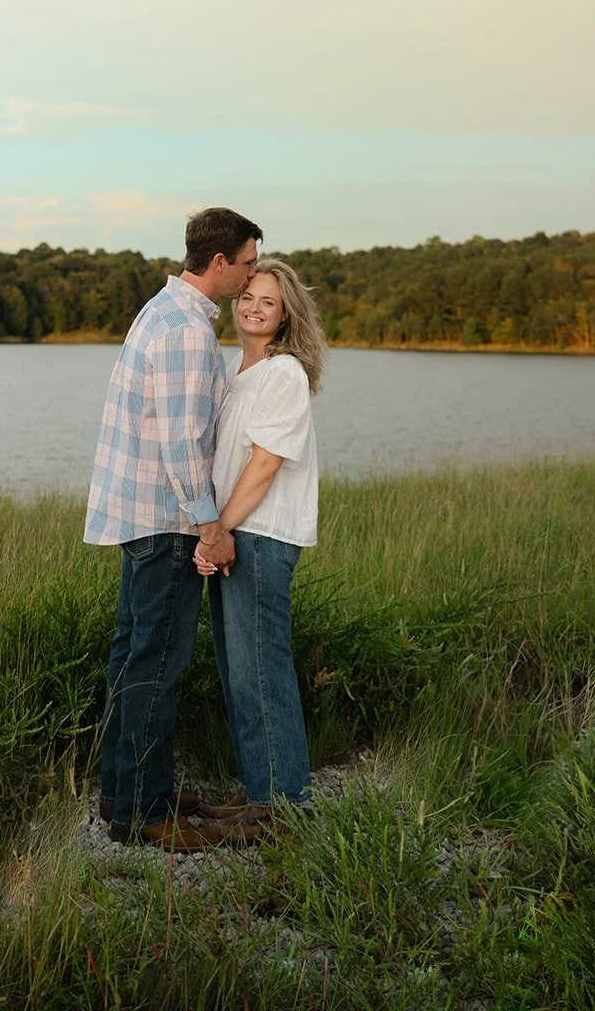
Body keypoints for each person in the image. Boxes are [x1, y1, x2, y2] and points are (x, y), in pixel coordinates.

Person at [84, 207, 263, 851]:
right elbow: (183, 442)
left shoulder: (161, 309)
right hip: (167, 519)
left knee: (133, 656)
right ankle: (145, 813)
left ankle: (124, 792)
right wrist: (210, 524)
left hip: (143, 514)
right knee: (157, 662)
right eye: (246, 263)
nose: (251, 275)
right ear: (219, 263)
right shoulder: (186, 331)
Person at [195, 257, 325, 841]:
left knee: (261, 670)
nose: (252, 307)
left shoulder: (284, 374)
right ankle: (261, 796)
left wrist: (219, 528)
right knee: (237, 671)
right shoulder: (236, 372)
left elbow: (266, 463)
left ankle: (285, 807)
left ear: (285, 314)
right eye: (247, 295)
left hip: (261, 535)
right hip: (233, 533)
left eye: (267, 302)